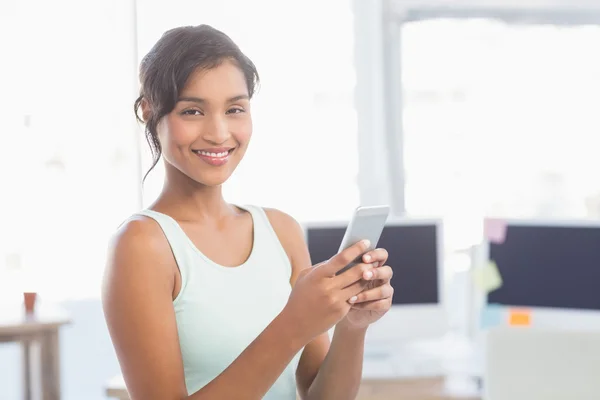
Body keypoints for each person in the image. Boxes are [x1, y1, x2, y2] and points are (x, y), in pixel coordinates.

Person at [102, 24, 394, 400]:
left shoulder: (280, 230)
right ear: (148, 111)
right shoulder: (142, 245)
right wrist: (293, 324)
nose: (219, 133)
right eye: (192, 111)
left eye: (235, 109)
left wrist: (353, 327)